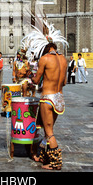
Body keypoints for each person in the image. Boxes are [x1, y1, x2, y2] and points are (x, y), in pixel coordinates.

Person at [24, 18, 68, 170]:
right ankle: (42, 156)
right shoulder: (63, 59)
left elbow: (36, 80)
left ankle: (56, 163)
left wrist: (30, 75)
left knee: (49, 132)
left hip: (47, 98)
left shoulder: (44, 59)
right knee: (47, 129)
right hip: (59, 98)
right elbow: (65, 82)